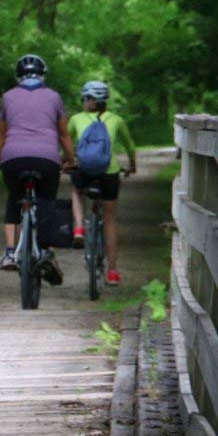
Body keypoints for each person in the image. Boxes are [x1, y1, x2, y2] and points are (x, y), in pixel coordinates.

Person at [0, 54, 75, 277]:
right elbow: (64, 135)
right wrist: (71, 160)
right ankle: (46, 253)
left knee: (14, 198)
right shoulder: (54, 97)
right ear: (42, 75)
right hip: (47, 157)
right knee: (47, 202)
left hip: (13, 157)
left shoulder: (8, 97)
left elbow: (2, 135)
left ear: (18, 76)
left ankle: (10, 252)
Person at [68, 80, 136, 286]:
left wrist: (66, 162)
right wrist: (132, 165)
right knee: (109, 220)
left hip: (84, 170)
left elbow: (67, 145)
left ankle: (79, 228)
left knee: (76, 191)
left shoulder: (76, 119)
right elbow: (130, 146)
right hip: (109, 172)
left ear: (88, 100)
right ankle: (113, 272)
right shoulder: (116, 120)